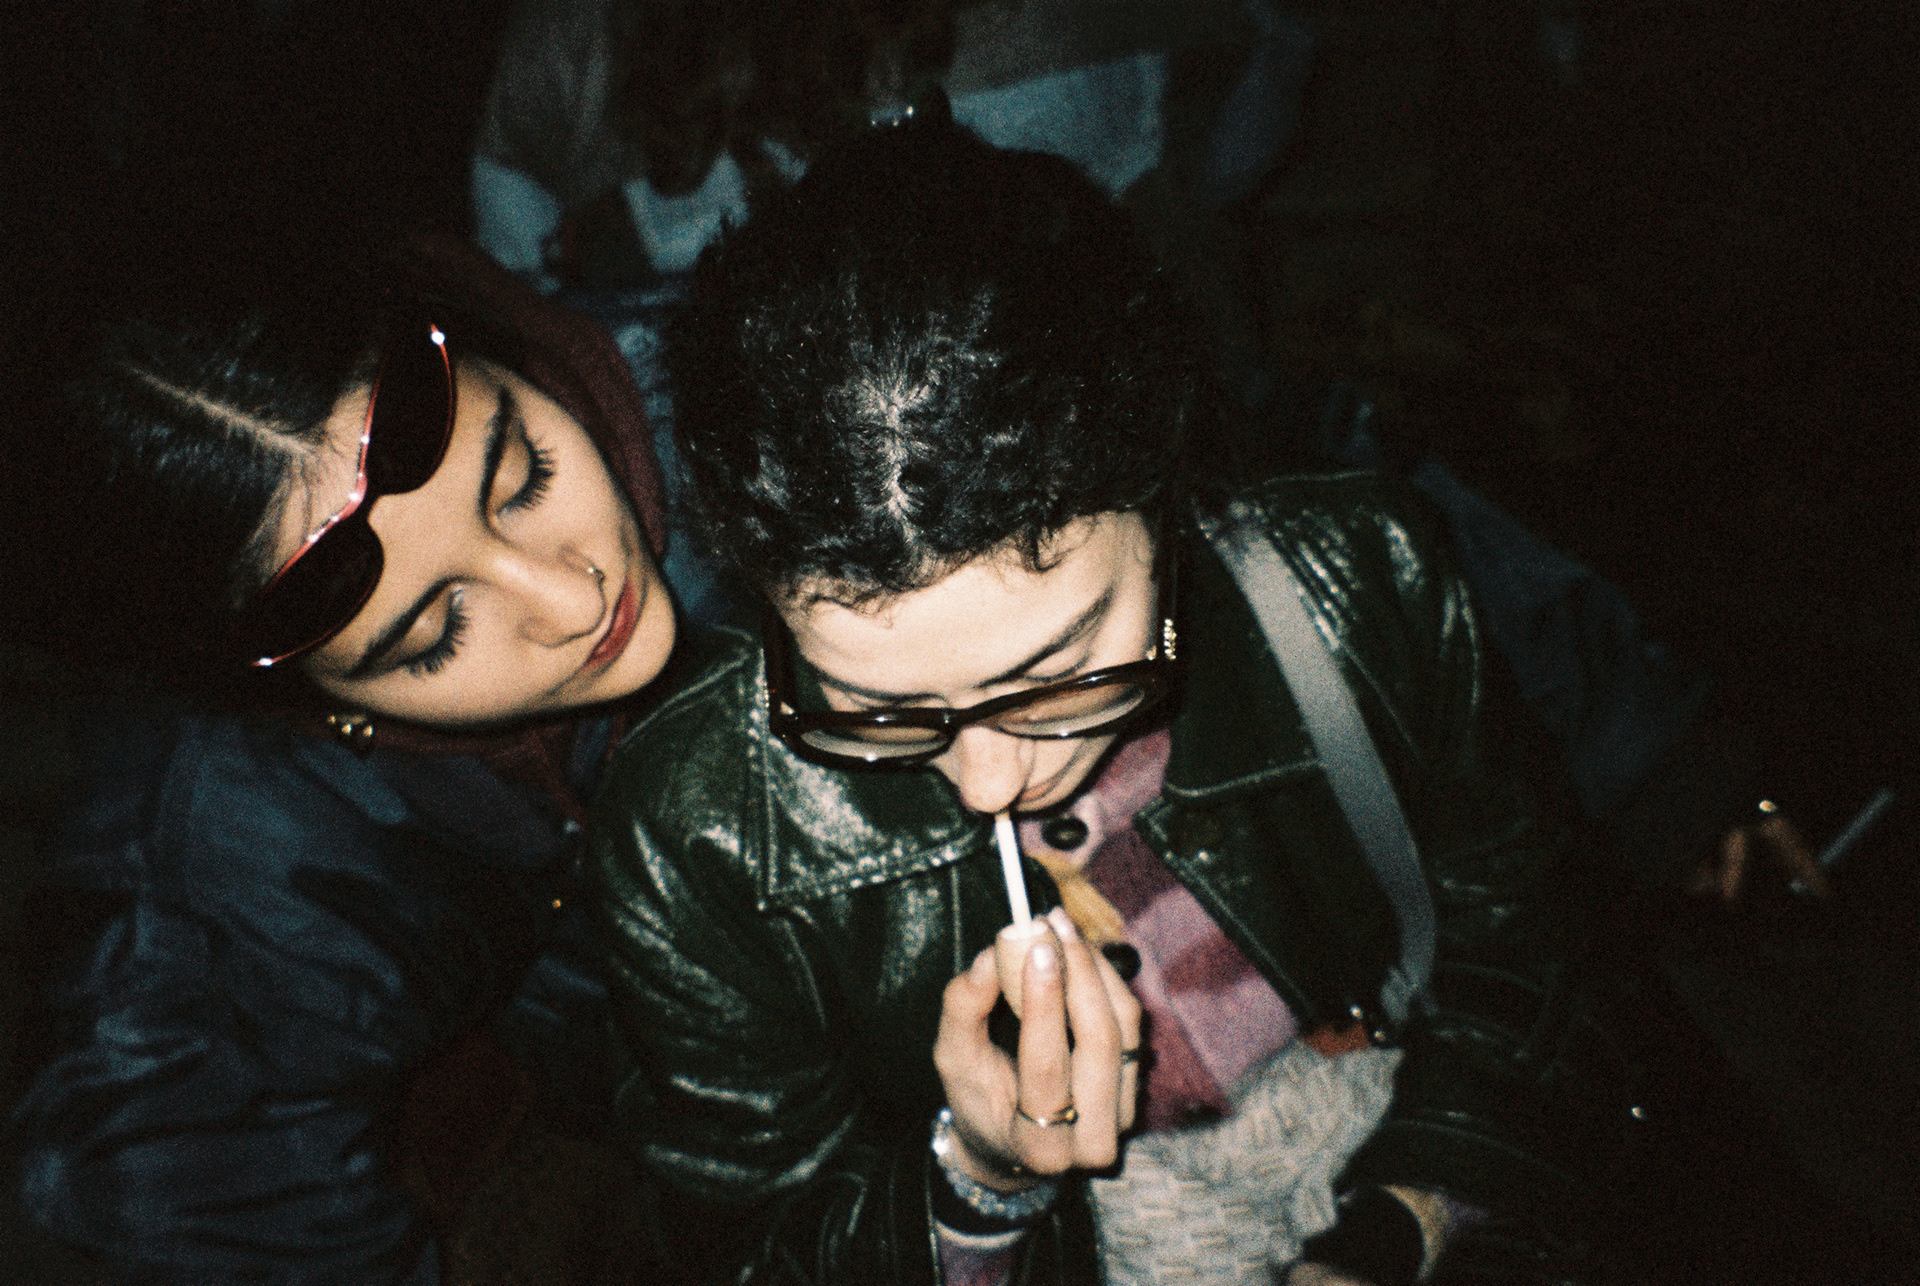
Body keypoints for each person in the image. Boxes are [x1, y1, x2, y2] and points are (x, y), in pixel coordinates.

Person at [588, 126, 1644, 1286]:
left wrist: (1400, 1221)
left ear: (1165, 477)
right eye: (874, 703)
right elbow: (745, 1248)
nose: (990, 780)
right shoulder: (696, 826)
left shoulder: (1360, 576)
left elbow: (1531, 953)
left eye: (1062, 670)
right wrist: (976, 1179)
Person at [5, 217, 678, 1285]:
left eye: (522, 476)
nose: (575, 598)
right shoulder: (234, 873)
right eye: (435, 635)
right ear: (303, 702)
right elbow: (180, 1183)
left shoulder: (757, 369)